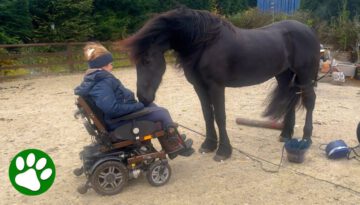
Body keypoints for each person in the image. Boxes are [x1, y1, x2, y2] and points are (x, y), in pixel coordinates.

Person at [74, 42, 194, 159]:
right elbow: (112, 109)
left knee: (151, 105)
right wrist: (137, 107)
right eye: (110, 64)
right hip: (117, 122)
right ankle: (175, 145)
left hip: (116, 118)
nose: (112, 66)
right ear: (101, 66)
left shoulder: (97, 79)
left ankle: (173, 143)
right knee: (162, 112)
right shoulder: (101, 83)